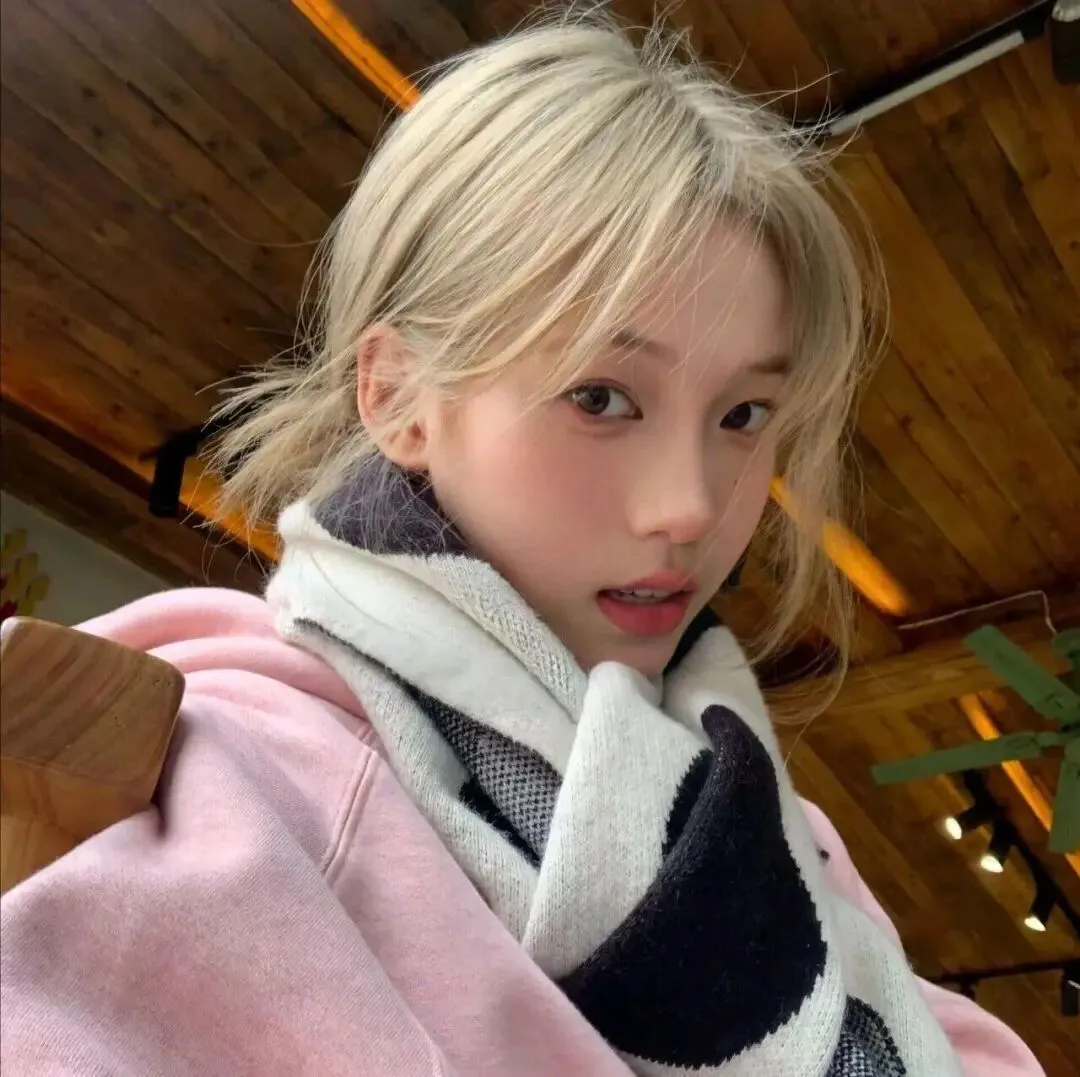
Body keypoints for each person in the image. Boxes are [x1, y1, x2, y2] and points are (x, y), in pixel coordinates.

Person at [0, 14, 1043, 1077]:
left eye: (742, 416)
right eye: (600, 397)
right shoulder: (247, 772)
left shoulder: (758, 824)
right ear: (397, 396)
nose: (690, 507)